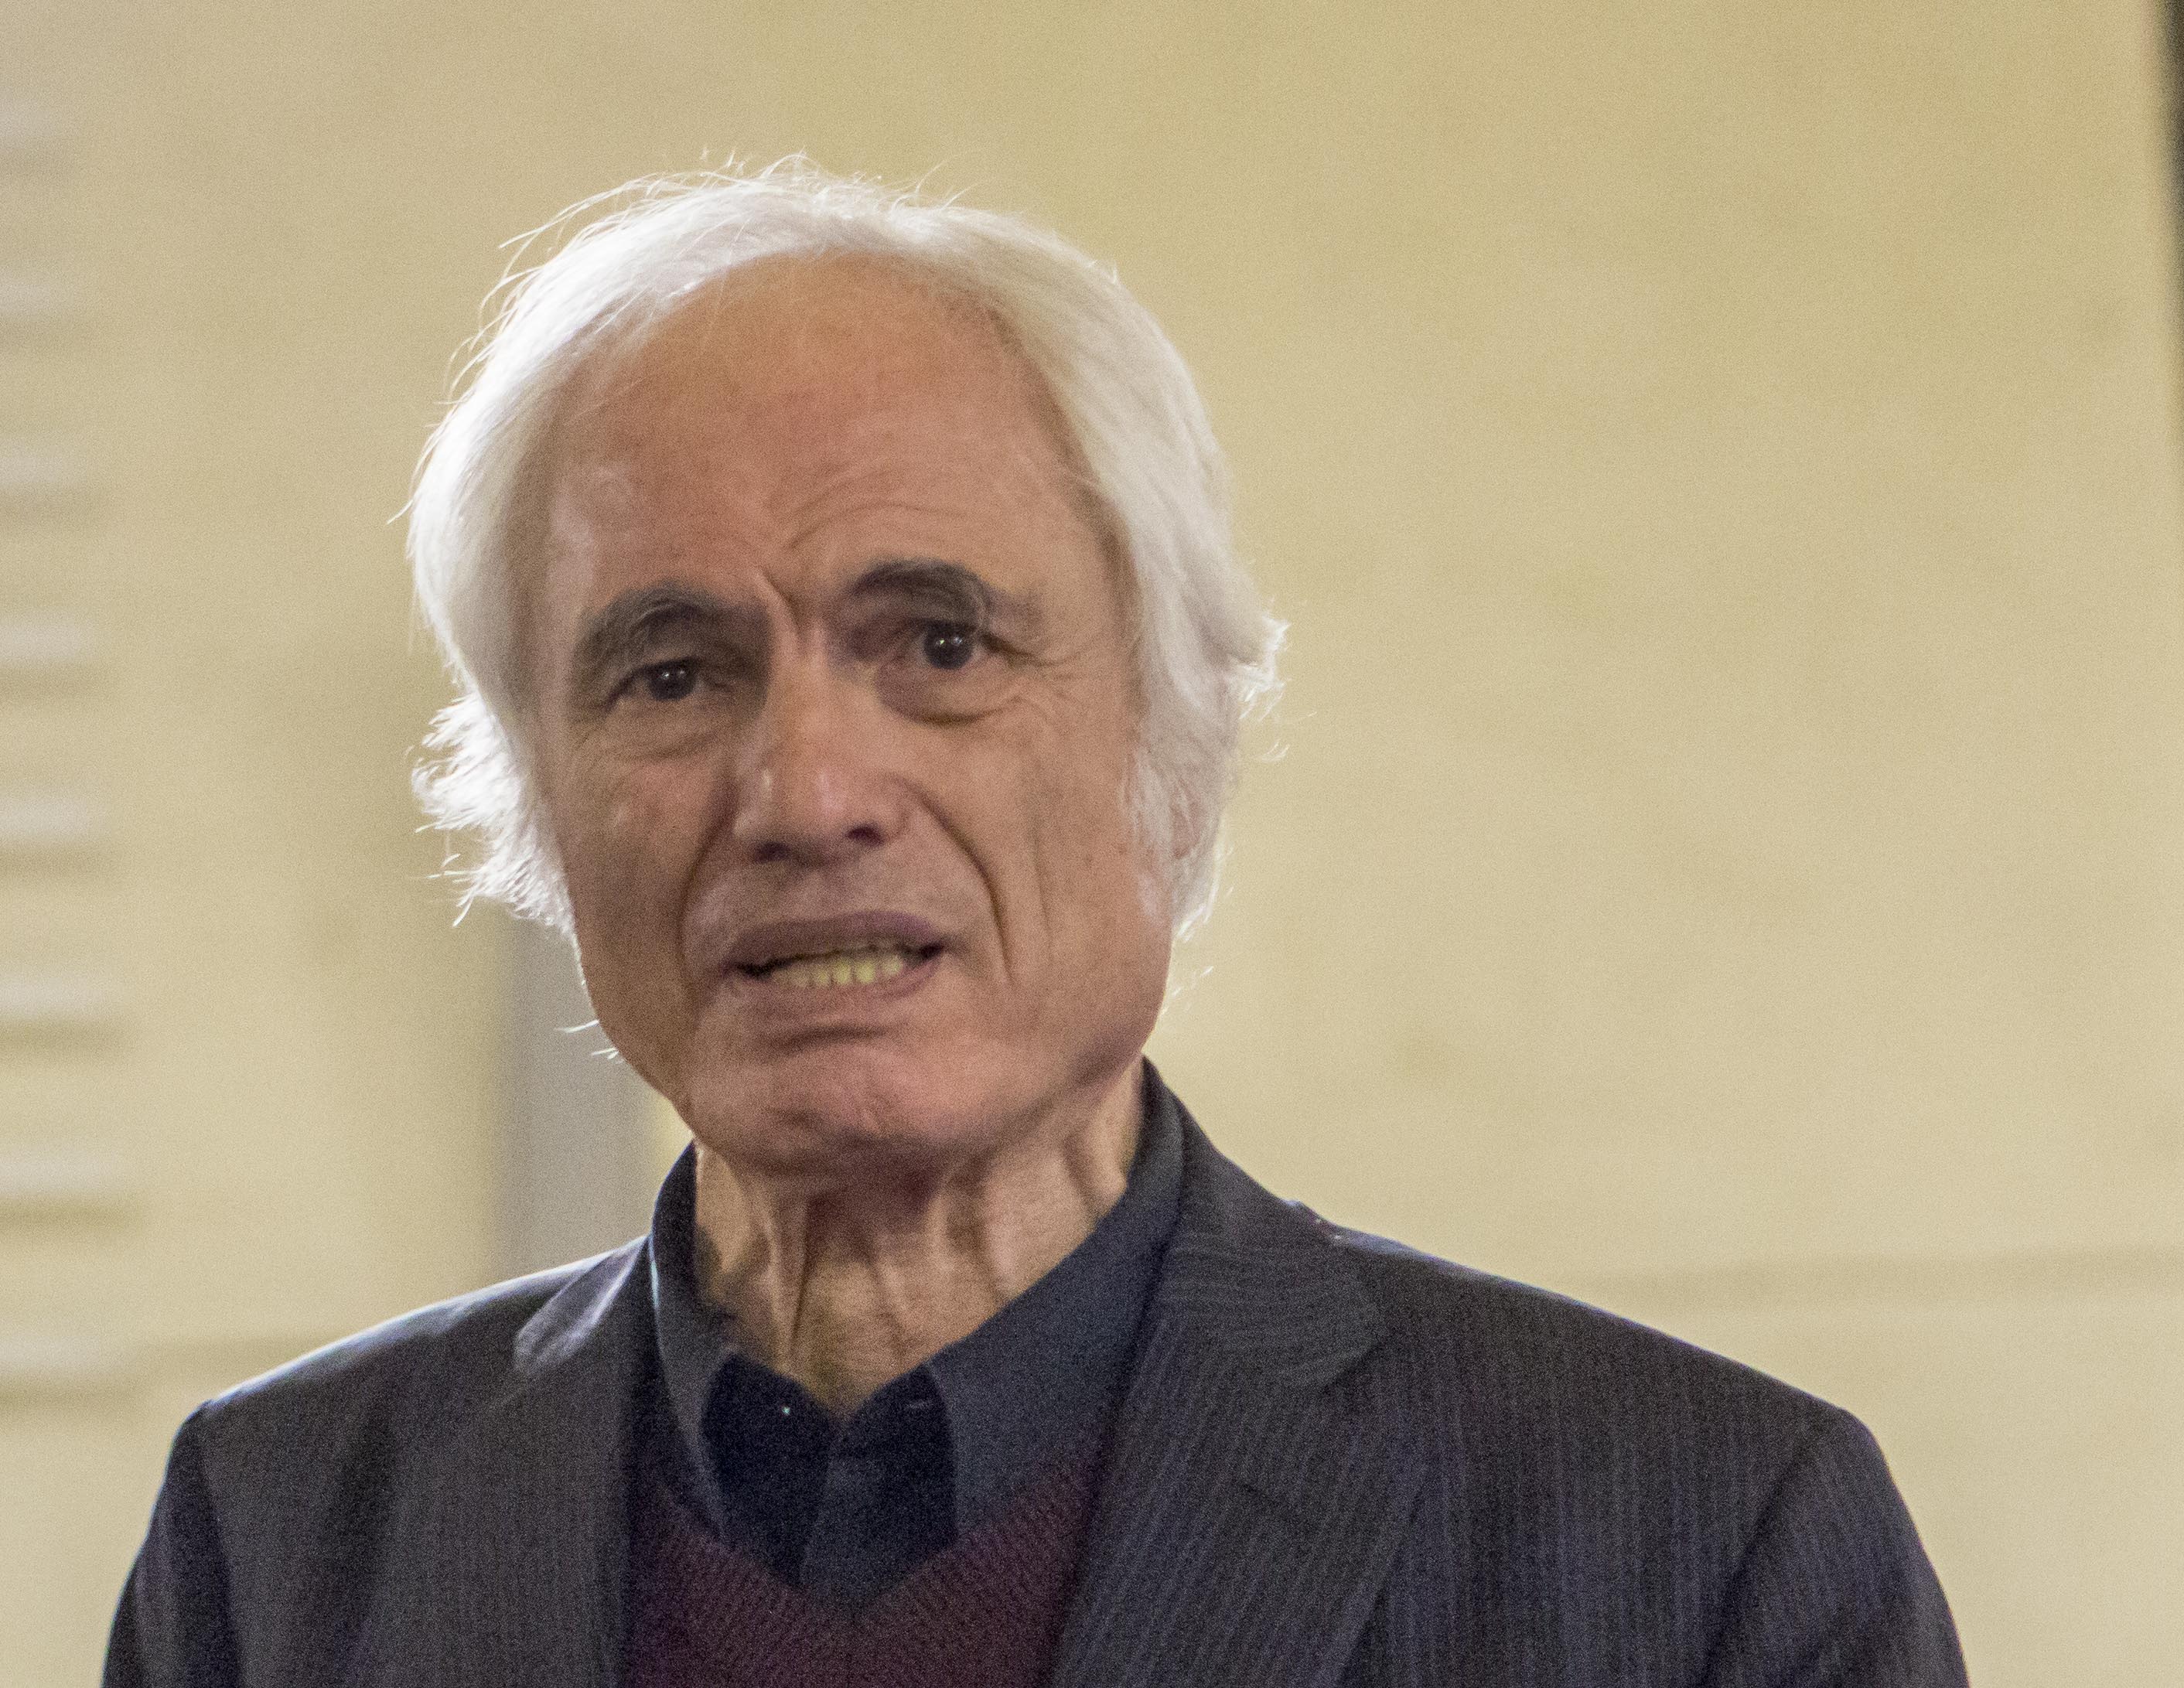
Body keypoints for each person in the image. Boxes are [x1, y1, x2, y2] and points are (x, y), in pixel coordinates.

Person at [105, 162, 1966, 1688]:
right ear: (536, 800)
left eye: (939, 644)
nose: (807, 792)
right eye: (672, 673)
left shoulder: (1696, 1549)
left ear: (1176, 746)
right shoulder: (277, 1549)